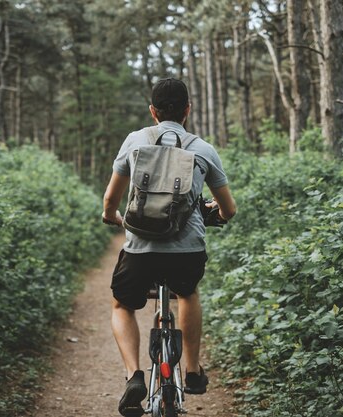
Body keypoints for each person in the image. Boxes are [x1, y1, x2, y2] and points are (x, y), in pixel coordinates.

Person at [102, 77, 237, 417]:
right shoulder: (203, 149)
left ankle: (134, 375)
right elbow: (229, 209)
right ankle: (191, 371)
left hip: (140, 249)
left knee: (121, 304)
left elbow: (110, 199)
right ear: (188, 110)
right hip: (187, 251)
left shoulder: (134, 142)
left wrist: (112, 217)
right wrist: (216, 214)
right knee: (187, 293)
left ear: (153, 111)